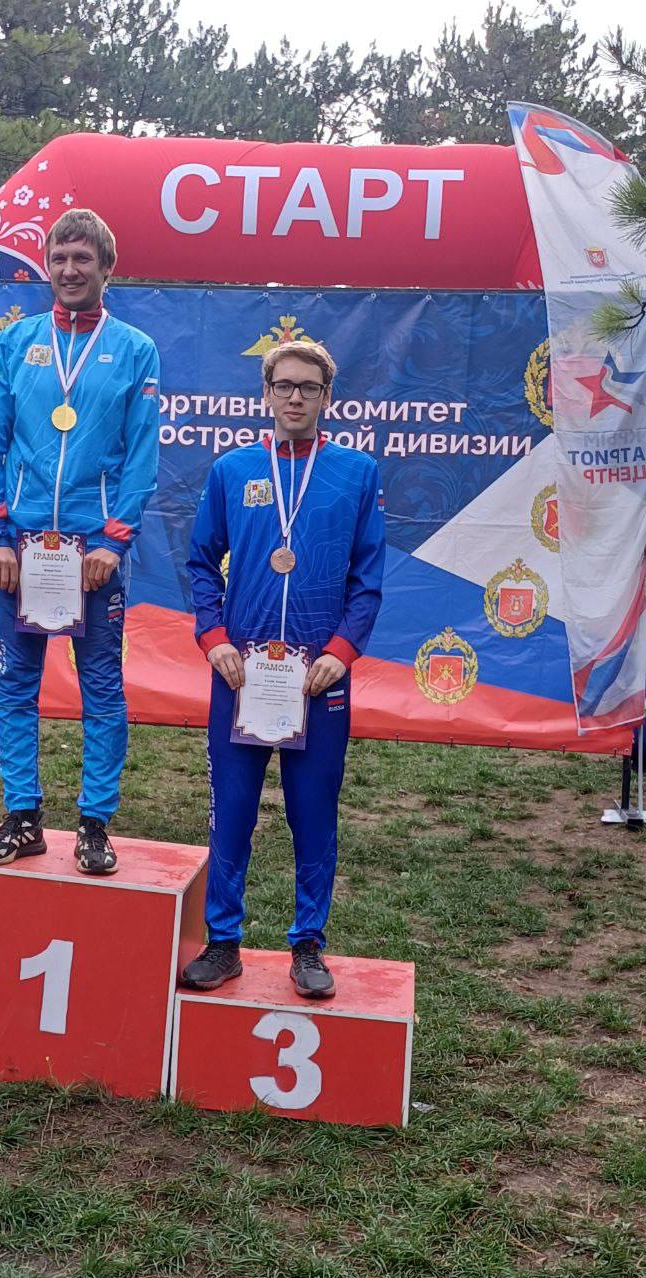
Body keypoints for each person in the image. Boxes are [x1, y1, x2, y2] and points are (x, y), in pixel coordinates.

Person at [182, 340, 385, 996]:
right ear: (265, 394)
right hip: (240, 677)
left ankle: (308, 945)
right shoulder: (232, 469)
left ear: (328, 397)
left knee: (313, 812)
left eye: (309, 387)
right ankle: (223, 942)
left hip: (317, 681)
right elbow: (200, 563)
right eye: (284, 386)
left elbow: (368, 581)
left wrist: (340, 653)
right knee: (233, 810)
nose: (296, 397)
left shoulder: (356, 473)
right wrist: (214, 639)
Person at [0, 208, 160, 874]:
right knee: (15, 684)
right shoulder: (16, 343)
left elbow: (141, 455)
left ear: (107, 267)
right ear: (46, 266)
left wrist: (114, 541)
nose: (70, 270)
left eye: (83, 259)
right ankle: (22, 818)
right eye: (59, 259)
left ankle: (95, 825)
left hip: (93, 553)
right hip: (20, 549)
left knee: (101, 689)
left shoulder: (134, 349)